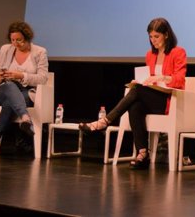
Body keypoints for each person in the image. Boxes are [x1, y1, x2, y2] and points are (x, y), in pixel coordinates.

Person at [79, 17, 187, 169]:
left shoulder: (178, 52)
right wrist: (141, 81)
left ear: (166, 35)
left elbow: (180, 80)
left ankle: (104, 122)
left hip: (168, 101)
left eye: (157, 36)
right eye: (150, 36)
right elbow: (150, 80)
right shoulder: (150, 55)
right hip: (152, 97)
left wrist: (162, 77)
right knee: (135, 105)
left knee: (136, 92)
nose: (153, 40)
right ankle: (142, 153)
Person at [0, 21, 49, 156]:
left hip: (27, 92)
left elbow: (43, 78)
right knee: (9, 86)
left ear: (27, 38)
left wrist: (21, 75)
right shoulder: (5, 49)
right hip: (5, 89)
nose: (16, 43)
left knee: (9, 104)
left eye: (19, 40)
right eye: (13, 40)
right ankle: (25, 117)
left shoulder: (40, 52)